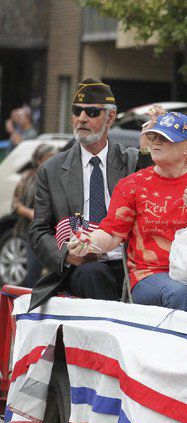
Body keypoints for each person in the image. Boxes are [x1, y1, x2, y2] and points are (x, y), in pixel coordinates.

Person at [66, 112, 187, 311]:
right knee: (179, 293)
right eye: (153, 136)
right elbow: (111, 233)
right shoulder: (132, 184)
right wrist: (88, 242)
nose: (156, 142)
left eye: (165, 138)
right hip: (150, 274)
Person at [29, 78, 143, 302]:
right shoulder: (51, 169)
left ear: (110, 118)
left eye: (92, 112)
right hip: (82, 266)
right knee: (92, 273)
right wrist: (67, 256)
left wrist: (151, 140)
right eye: (77, 110)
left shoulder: (132, 161)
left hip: (130, 261)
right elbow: (38, 230)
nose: (82, 118)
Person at [13, 144, 56, 287]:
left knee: (51, 273)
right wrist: (31, 213)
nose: (53, 160)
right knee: (33, 270)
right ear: (39, 160)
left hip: (52, 232)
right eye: (48, 158)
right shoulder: (28, 178)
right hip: (32, 232)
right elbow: (15, 205)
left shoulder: (57, 177)